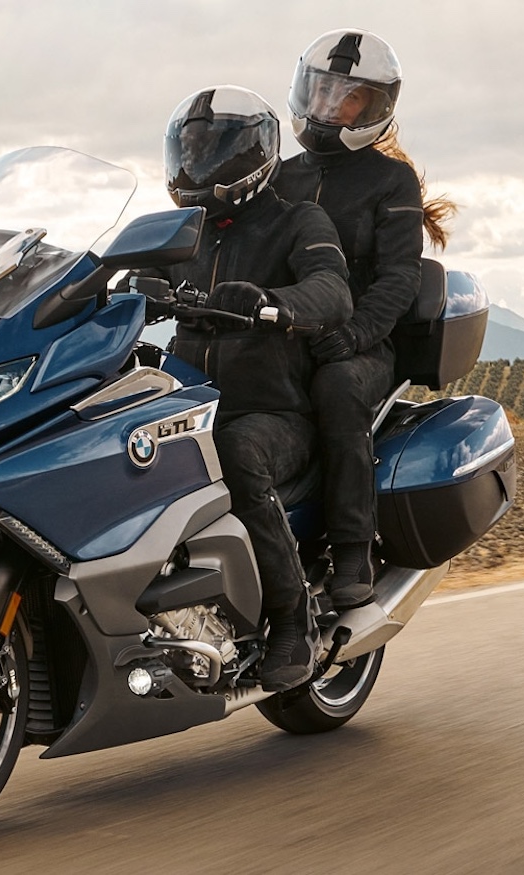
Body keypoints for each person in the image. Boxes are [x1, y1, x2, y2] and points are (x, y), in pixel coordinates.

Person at [140, 85, 352, 690]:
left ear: (250, 156)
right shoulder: (180, 233)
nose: (196, 162)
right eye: (189, 149)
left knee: (234, 451)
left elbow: (332, 291)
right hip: (189, 402)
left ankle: (292, 618)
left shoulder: (297, 220)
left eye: (211, 150)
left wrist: (273, 304)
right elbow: (132, 275)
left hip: (275, 412)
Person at [273, 29, 457, 608]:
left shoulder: (389, 181)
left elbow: (400, 278)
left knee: (336, 388)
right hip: (284, 330)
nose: (331, 106)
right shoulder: (280, 175)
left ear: (373, 107)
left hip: (361, 344)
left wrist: (354, 336)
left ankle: (352, 544)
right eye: (323, 90)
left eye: (348, 97)